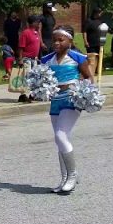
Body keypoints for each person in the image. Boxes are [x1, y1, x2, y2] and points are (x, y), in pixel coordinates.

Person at [41, 25, 94, 194]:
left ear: (70, 41)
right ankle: (64, 178)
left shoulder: (77, 58)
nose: (56, 43)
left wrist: (86, 95)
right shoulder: (47, 59)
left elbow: (89, 78)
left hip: (71, 99)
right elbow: (43, 80)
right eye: (54, 39)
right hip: (55, 101)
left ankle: (72, 175)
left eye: (60, 40)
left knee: (60, 135)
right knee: (60, 140)